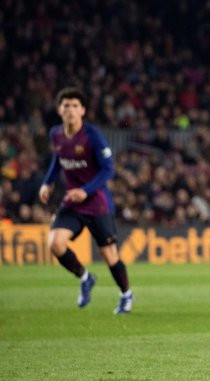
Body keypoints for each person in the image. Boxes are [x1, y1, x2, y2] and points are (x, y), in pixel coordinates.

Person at [39, 87, 133, 314]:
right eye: (66, 105)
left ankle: (126, 295)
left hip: (98, 203)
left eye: (74, 105)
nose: (70, 109)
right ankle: (85, 277)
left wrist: (85, 189)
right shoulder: (56, 134)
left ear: (82, 110)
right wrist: (47, 182)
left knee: (109, 256)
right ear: (59, 110)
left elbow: (108, 170)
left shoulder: (92, 136)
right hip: (73, 203)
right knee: (55, 243)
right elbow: (58, 160)